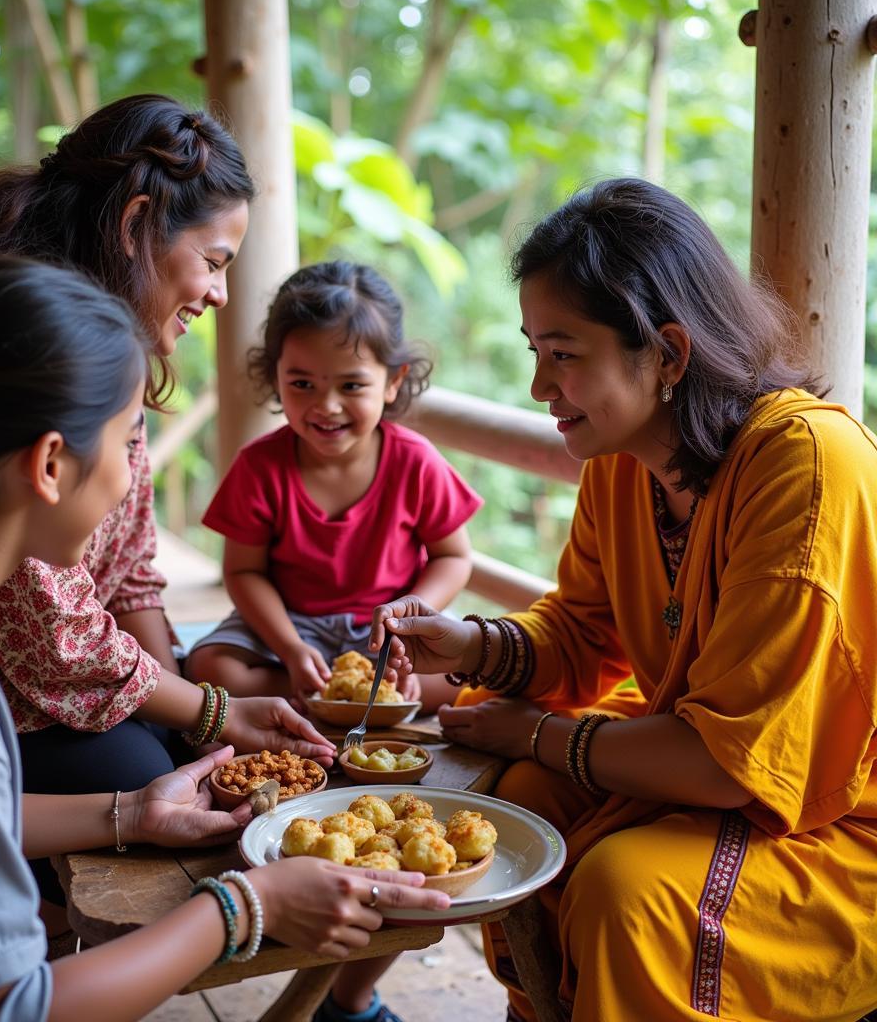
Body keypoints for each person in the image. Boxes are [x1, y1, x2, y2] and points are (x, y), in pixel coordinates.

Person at [0, 258, 451, 1022]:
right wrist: (243, 905)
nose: (133, 478)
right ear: (48, 464)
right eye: (130, 438)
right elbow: (6, 1009)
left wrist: (131, 813)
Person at [369, 178, 877, 1021]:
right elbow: (580, 633)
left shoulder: (807, 466)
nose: (539, 386)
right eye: (535, 351)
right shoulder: (621, 462)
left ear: (669, 354)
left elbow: (728, 763)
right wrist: (474, 647)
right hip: (715, 775)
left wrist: (532, 728)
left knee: (622, 889)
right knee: (517, 804)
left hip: (835, 822)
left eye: (564, 355)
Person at [0, 95, 338, 914]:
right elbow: (42, 627)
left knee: (184, 758)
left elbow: (132, 575)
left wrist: (200, 718)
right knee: (158, 788)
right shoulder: (7, 316)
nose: (221, 293)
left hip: (27, 664)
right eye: (215, 260)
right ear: (138, 221)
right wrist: (211, 710)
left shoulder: (106, 334)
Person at [186, 260, 482, 713]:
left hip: (389, 630)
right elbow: (244, 572)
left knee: (478, 669)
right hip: (288, 626)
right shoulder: (260, 466)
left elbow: (453, 556)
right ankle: (347, 697)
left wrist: (412, 617)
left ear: (392, 381)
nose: (326, 406)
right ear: (275, 377)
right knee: (210, 668)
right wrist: (289, 647)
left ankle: (336, 699)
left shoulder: (415, 461)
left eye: (351, 385)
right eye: (302, 383)